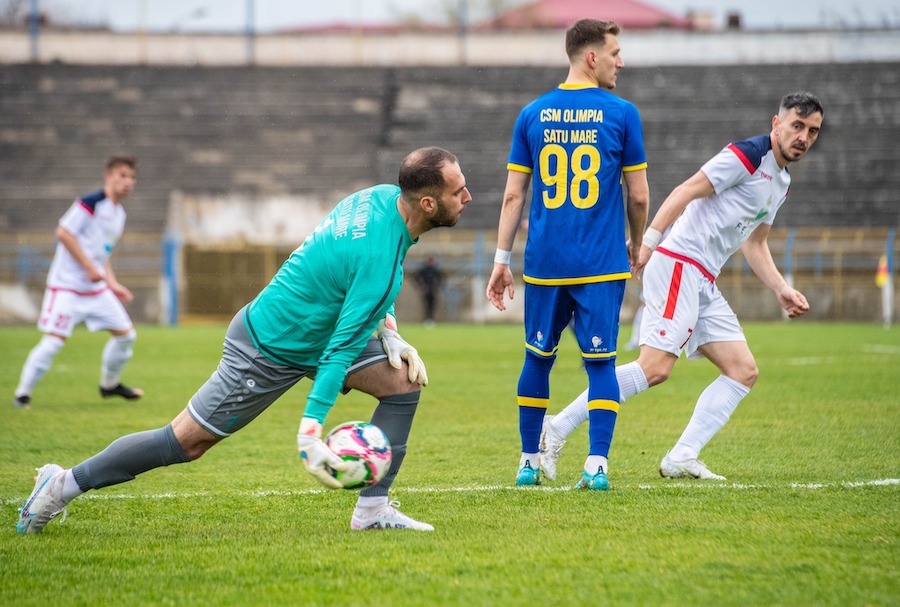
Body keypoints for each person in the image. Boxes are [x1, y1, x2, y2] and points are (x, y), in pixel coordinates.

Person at [16, 146, 472, 534]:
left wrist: (389, 330)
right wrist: (310, 431)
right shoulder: (376, 250)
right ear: (428, 203)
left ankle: (372, 510)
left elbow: (358, 279)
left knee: (401, 384)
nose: (468, 197)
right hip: (268, 345)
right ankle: (61, 485)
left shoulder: (383, 199)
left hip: (313, 330)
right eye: (458, 191)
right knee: (183, 443)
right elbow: (341, 350)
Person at [541, 92, 824, 481]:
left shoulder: (781, 182)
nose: (804, 137)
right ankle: (557, 427)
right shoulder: (747, 155)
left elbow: (754, 243)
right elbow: (685, 190)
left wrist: (781, 289)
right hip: (679, 263)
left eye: (812, 131)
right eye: (797, 126)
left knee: (742, 370)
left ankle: (682, 456)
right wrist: (648, 243)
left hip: (702, 278)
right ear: (776, 124)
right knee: (654, 368)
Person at [486, 19, 649, 491]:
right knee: (601, 365)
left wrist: (501, 260)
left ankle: (528, 463)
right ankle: (596, 466)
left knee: (537, 359)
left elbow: (514, 197)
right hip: (600, 266)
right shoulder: (622, 114)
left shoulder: (532, 114)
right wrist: (637, 243)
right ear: (592, 57)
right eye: (615, 52)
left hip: (544, 264)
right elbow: (638, 197)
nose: (622, 61)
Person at [13, 155, 144, 409]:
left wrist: (112, 283)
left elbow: (102, 254)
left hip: (95, 290)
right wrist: (87, 267)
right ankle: (22, 395)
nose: (127, 182)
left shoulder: (119, 214)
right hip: (67, 288)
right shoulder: (90, 203)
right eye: (122, 175)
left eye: (131, 177)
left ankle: (109, 385)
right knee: (53, 342)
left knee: (126, 336)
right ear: (108, 176)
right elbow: (63, 232)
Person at [414, 254, 444, 326]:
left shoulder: (435, 269)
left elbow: (441, 278)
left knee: (433, 305)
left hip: (433, 291)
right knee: (426, 305)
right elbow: (416, 277)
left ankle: (431, 319)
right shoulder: (424, 269)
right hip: (426, 291)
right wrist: (421, 285)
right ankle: (426, 320)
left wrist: (437, 287)